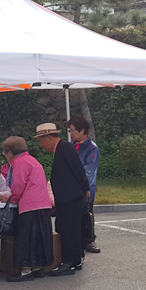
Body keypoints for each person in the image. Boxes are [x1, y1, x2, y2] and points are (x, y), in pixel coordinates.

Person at [35, 123, 90, 276]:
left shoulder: (65, 148)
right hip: (67, 197)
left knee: (68, 229)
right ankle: (75, 260)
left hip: (71, 197)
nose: (41, 145)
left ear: (49, 137)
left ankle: (68, 262)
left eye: (41, 140)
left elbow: (78, 169)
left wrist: (86, 189)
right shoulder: (61, 149)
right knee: (68, 227)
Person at [1, 136, 53, 282]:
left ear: (10, 152)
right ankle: (38, 267)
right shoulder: (32, 160)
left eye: (5, 153)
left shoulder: (19, 163)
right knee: (38, 237)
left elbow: (18, 186)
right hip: (42, 203)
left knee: (25, 237)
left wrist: (12, 199)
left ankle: (25, 271)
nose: (5, 156)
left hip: (29, 205)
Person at [68, 117, 100, 254]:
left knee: (87, 213)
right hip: (71, 187)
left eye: (72, 130)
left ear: (82, 131)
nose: (71, 133)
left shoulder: (92, 148)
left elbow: (89, 171)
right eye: (69, 131)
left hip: (85, 188)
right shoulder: (71, 145)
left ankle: (89, 240)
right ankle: (78, 240)